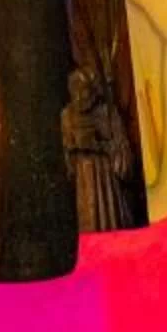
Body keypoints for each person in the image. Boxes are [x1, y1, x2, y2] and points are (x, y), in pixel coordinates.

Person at [61, 64, 137, 236]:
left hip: (105, 179)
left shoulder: (107, 113)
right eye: (76, 90)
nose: (81, 96)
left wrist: (99, 145)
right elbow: (68, 158)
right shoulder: (68, 115)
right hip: (84, 180)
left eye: (85, 90)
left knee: (109, 219)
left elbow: (121, 153)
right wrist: (74, 148)